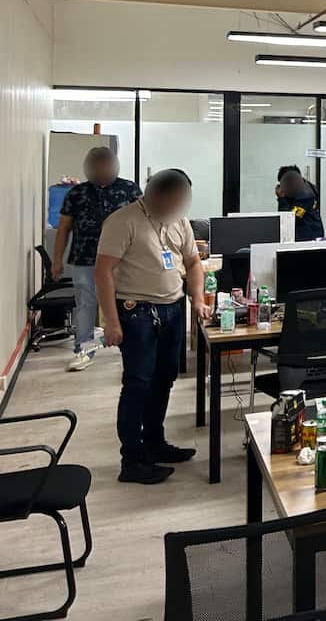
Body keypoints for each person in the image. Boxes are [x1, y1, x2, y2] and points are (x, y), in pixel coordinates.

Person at [96, 169, 209, 485]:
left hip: (173, 308)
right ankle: (131, 460)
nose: (180, 206)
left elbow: (193, 263)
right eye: (175, 200)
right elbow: (103, 272)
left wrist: (197, 300)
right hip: (137, 312)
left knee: (164, 379)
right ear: (157, 194)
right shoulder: (123, 221)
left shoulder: (178, 221)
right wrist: (111, 322)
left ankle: (155, 443)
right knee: (137, 385)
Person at [52, 147, 142, 372]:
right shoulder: (76, 193)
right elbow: (63, 228)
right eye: (98, 165)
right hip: (85, 258)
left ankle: (130, 347)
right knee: (86, 306)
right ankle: (84, 350)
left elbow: (143, 223)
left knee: (128, 305)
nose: (102, 169)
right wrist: (56, 261)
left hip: (122, 260)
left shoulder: (129, 189)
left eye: (106, 164)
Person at [276, 165, 324, 241]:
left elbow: (288, 219)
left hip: (309, 240)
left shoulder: (305, 195)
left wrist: (281, 198)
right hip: (306, 236)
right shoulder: (300, 189)